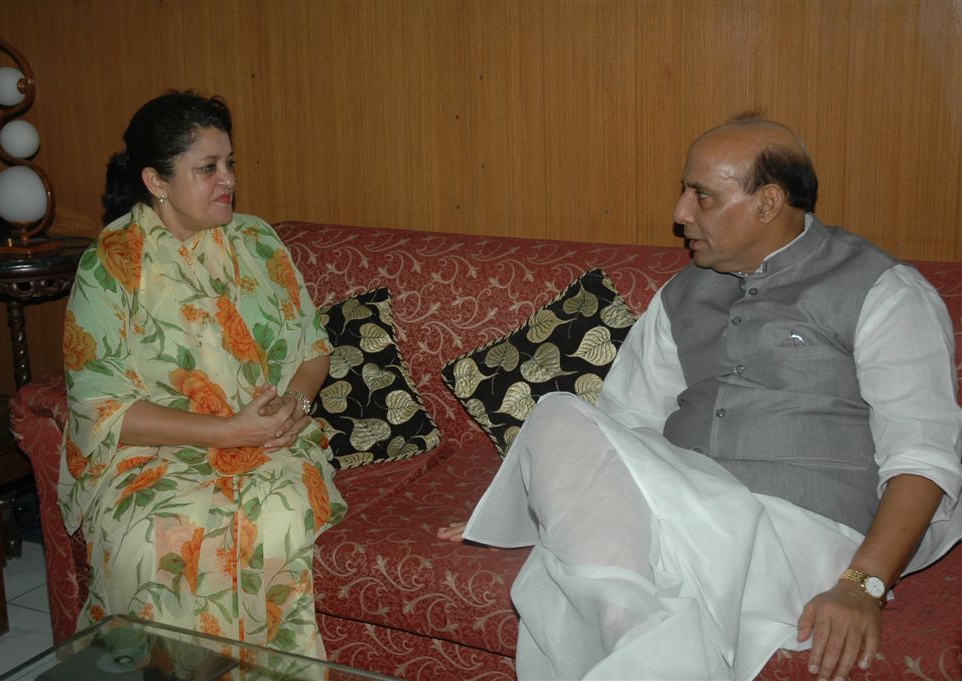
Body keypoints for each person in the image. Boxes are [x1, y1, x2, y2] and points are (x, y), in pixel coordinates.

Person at [440, 115, 962, 681]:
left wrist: (864, 585)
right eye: (685, 191)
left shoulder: (883, 290)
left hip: (801, 531)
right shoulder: (681, 294)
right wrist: (548, 496)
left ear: (767, 203)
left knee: (584, 574)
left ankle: (634, 638)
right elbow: (623, 425)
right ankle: (640, 642)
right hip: (681, 513)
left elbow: (924, 455)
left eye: (702, 196)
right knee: (561, 417)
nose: (680, 214)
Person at [59, 91, 346, 667]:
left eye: (230, 163)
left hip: (272, 447)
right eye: (207, 168)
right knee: (154, 539)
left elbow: (313, 350)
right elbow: (102, 407)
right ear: (156, 181)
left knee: (277, 517)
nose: (227, 181)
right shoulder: (112, 263)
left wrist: (293, 403)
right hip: (154, 454)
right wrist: (226, 433)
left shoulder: (259, 242)